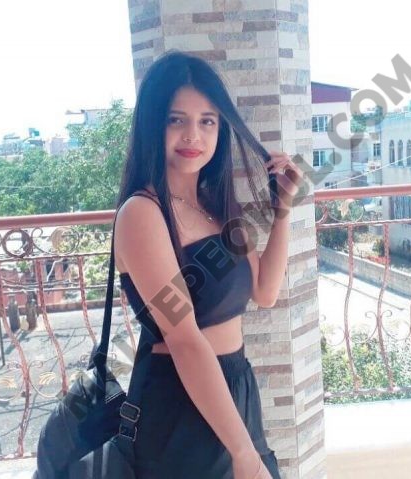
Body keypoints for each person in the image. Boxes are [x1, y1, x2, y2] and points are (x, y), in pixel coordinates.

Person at [113, 50, 303, 479]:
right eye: (175, 119)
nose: (192, 135)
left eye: (207, 121)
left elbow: (265, 291)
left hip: (235, 386)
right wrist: (244, 454)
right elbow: (183, 339)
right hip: (179, 401)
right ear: (153, 124)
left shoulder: (215, 207)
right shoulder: (143, 213)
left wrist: (283, 211)